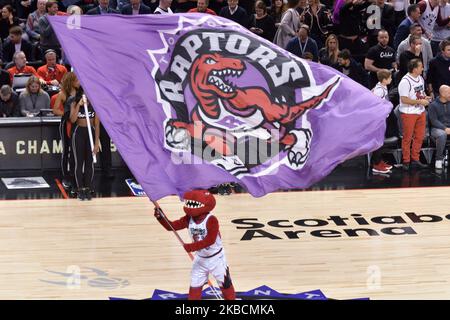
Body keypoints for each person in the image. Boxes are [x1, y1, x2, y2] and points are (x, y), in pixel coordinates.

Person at [154, 189, 236, 300]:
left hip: (217, 259)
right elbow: (171, 227)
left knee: (226, 286)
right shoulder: (189, 219)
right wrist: (161, 217)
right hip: (200, 259)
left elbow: (210, 240)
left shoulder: (211, 220)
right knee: (194, 288)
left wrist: (191, 247)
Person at [398, 59, 431, 170]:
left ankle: (415, 159)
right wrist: (420, 102)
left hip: (420, 111)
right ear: (415, 68)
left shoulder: (420, 78)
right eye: (421, 66)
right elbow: (404, 99)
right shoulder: (405, 81)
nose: (423, 68)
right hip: (408, 113)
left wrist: (425, 97)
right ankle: (406, 161)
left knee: (419, 137)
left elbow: (420, 93)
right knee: (407, 138)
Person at [70, 88, 100, 201]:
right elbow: (72, 120)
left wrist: (97, 142)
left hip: (90, 133)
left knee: (89, 162)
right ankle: (80, 189)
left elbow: (97, 124)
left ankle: (87, 187)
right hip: (79, 133)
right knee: (79, 162)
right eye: (84, 95)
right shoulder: (74, 103)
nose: (86, 97)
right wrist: (79, 105)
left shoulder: (95, 105)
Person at [54, 72, 80, 189]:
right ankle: (65, 176)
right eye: (77, 80)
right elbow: (55, 110)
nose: (79, 82)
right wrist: (67, 114)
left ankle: (76, 173)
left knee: (76, 149)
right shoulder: (63, 94)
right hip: (66, 124)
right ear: (71, 81)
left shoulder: (81, 93)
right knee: (66, 150)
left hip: (78, 123)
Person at [371, 69, 394, 174]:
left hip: (383, 118)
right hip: (378, 119)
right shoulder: (379, 90)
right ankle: (376, 165)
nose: (391, 79)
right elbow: (375, 105)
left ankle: (379, 161)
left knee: (380, 141)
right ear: (384, 80)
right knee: (378, 142)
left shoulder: (382, 87)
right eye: (390, 78)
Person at [428, 85, 450, 169]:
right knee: (442, 134)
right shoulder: (433, 105)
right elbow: (433, 121)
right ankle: (439, 159)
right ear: (443, 94)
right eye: (449, 93)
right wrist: (445, 128)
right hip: (437, 128)